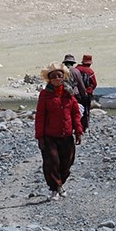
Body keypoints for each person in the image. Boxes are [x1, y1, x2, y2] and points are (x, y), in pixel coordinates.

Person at [35, 62, 83, 201]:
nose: (57, 78)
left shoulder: (69, 94)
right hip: (49, 136)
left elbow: (75, 113)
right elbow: (40, 116)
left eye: (59, 76)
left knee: (67, 162)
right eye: (54, 76)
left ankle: (60, 184)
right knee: (51, 162)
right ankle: (54, 188)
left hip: (67, 135)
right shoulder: (45, 95)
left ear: (63, 77)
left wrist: (78, 131)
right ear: (49, 79)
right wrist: (40, 136)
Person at [62, 53, 88, 128]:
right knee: (76, 112)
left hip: (62, 94)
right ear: (73, 63)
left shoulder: (61, 70)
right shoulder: (76, 71)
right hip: (75, 94)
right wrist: (84, 94)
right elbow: (80, 84)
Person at [75, 54, 97, 129]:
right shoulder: (90, 72)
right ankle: (84, 126)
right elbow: (94, 84)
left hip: (76, 94)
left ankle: (76, 124)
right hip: (86, 94)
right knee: (86, 110)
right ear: (90, 63)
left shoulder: (76, 69)